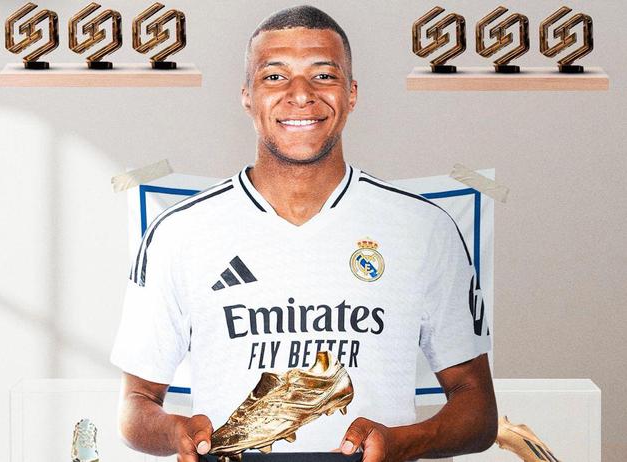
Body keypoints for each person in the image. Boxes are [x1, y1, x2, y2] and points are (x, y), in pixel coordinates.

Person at [111, 5, 497, 461]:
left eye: (323, 76)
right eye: (275, 77)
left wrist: (402, 442)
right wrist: (175, 432)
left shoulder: (424, 228)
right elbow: (136, 406)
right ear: (247, 96)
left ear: (351, 94)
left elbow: (477, 408)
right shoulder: (178, 232)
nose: (300, 95)